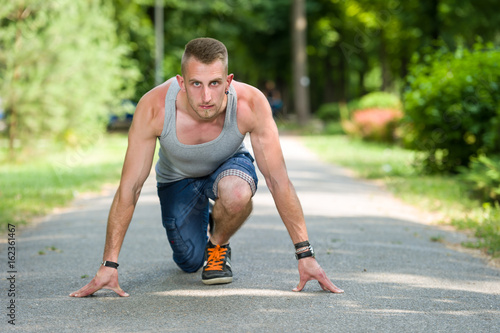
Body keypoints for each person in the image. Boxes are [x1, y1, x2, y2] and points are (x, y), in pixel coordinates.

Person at [70, 37, 343, 297]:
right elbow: (130, 187)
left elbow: (278, 180)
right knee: (189, 261)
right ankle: (213, 219)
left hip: (228, 166)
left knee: (237, 194)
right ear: (181, 83)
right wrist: (109, 264)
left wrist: (305, 255)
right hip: (177, 180)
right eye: (196, 84)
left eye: (215, 83)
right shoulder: (154, 108)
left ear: (228, 81)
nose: (206, 96)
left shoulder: (250, 104)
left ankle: (218, 243)